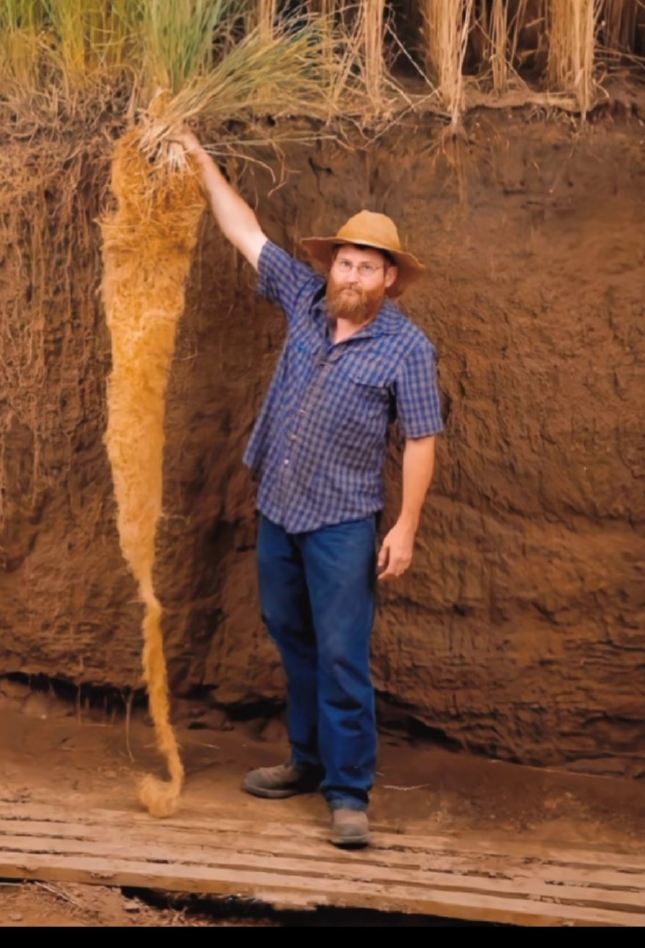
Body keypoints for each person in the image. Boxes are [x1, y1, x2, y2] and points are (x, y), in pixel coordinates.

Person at [173, 127, 444, 848]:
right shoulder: (303, 298)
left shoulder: (408, 350)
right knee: (291, 639)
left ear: (389, 279)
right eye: (344, 264)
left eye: (366, 269)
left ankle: (348, 793)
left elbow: (421, 438)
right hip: (278, 512)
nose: (350, 277)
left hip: (343, 525)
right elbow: (244, 231)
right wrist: (201, 162)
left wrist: (406, 524)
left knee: (341, 654)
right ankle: (304, 760)